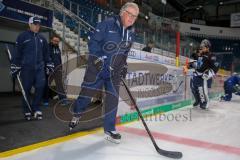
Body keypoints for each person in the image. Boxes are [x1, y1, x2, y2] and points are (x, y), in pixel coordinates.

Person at [69, 2, 139, 143]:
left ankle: (110, 129)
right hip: (97, 69)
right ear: (122, 12)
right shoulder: (107, 24)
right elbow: (93, 45)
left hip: (114, 73)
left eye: (135, 16)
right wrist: (100, 62)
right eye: (129, 14)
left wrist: (124, 66)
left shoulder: (131, 34)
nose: (132, 18)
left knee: (113, 99)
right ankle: (77, 113)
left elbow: (124, 53)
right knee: (86, 96)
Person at [10, 16, 54, 120]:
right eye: (35, 24)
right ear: (29, 24)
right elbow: (17, 53)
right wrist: (15, 65)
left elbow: (46, 54)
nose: (37, 27)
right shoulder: (22, 37)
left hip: (39, 68)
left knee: (40, 87)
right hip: (26, 68)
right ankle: (26, 110)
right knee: (26, 89)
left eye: (38, 25)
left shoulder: (42, 39)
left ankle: (36, 108)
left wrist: (49, 63)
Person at [187, 39, 219, 109]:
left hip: (203, 76)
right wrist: (190, 65)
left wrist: (209, 73)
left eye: (204, 47)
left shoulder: (211, 56)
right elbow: (197, 63)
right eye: (202, 46)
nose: (202, 48)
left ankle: (205, 102)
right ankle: (197, 100)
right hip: (196, 74)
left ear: (208, 47)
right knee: (193, 88)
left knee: (201, 90)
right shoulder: (199, 54)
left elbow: (216, 67)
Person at [43, 35, 69, 106]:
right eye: (55, 41)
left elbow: (59, 59)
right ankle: (45, 100)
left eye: (57, 41)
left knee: (60, 84)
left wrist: (61, 68)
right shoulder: (47, 47)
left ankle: (63, 100)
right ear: (51, 40)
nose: (56, 42)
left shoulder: (58, 49)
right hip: (50, 69)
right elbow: (46, 57)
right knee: (46, 84)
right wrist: (48, 67)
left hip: (58, 69)